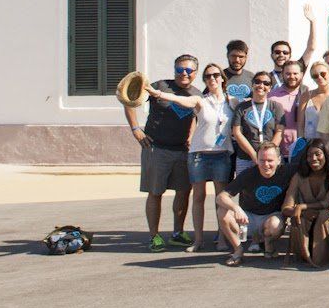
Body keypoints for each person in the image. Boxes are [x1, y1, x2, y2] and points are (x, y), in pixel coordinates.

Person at [146, 63, 233, 252]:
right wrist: (157, 93)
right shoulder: (200, 100)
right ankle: (198, 240)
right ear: (204, 80)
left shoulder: (232, 101)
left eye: (216, 75)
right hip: (199, 156)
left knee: (221, 199)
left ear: (222, 79)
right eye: (208, 76)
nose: (212, 79)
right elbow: (177, 99)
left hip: (222, 155)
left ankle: (223, 239)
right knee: (198, 198)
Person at [125, 53, 198, 251]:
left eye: (189, 70)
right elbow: (128, 99)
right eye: (180, 69)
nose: (184, 73)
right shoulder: (159, 86)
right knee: (155, 192)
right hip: (156, 148)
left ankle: (177, 233)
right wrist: (136, 129)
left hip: (182, 150)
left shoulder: (196, 93)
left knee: (184, 192)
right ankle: (154, 236)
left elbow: (194, 118)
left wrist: (191, 137)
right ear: (174, 70)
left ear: (195, 73)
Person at [215, 142, 292, 266]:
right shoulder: (248, 174)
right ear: (257, 160)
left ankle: (268, 244)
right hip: (247, 218)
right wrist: (236, 208)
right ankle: (238, 250)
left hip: (272, 217)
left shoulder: (287, 171)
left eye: (270, 160)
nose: (266, 165)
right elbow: (220, 197)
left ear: (279, 160)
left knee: (275, 224)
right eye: (262, 160)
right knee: (222, 211)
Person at [283, 138, 329, 267]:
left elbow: (327, 204)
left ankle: (322, 256)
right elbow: (286, 207)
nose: (313, 158)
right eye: (309, 155)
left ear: (325, 155)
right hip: (309, 217)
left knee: (323, 215)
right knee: (300, 217)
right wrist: (299, 211)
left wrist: (303, 206)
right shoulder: (299, 177)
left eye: (317, 154)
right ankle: (305, 254)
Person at [231, 70, 285, 176]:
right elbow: (237, 133)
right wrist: (254, 155)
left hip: (270, 159)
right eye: (258, 81)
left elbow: (280, 132)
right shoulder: (241, 107)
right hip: (246, 158)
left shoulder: (276, 106)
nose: (261, 85)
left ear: (270, 88)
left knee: (271, 187)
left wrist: (267, 154)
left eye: (266, 83)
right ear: (252, 84)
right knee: (245, 189)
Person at [268, 3, 318, 75]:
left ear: (290, 55)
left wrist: (313, 22)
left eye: (285, 53)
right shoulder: (266, 79)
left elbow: (311, 48)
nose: (281, 55)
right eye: (277, 52)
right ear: (272, 55)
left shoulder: (297, 69)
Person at [297, 61, 329, 153]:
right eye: (315, 76)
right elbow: (300, 125)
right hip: (310, 146)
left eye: (323, 74)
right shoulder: (306, 96)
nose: (320, 77)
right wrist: (302, 144)